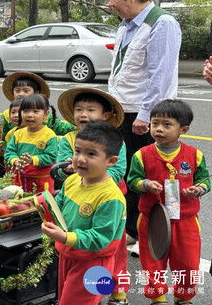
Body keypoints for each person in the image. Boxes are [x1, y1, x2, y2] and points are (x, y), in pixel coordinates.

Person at [106, 0, 182, 254]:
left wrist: (146, 115)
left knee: (158, 174)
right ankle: (135, 230)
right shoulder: (126, 26)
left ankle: (165, 231)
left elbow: (160, 75)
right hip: (122, 112)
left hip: (145, 115)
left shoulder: (162, 23)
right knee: (130, 173)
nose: (111, 4)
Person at [127, 99, 210, 305]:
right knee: (152, 261)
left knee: (188, 263)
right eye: (155, 123)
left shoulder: (194, 155)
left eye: (167, 124)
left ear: (184, 129)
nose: (159, 129)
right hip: (152, 219)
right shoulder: (142, 155)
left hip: (186, 221)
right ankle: (158, 298)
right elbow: (132, 181)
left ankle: (183, 297)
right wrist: (145, 184)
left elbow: (205, 179)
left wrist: (198, 189)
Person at [56, 88, 129, 305]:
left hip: (103, 210)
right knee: (70, 294)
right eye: (78, 109)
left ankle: (117, 293)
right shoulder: (70, 141)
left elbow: (116, 172)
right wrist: (67, 172)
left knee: (114, 258)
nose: (83, 114)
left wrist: (85, 175)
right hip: (74, 237)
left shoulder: (114, 143)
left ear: (106, 115)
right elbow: (60, 168)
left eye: (90, 109)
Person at [42, 120, 126, 305]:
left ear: (111, 161)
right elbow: (60, 207)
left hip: (94, 263)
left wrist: (65, 237)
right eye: (78, 151)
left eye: (91, 154)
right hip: (69, 254)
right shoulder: (73, 181)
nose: (80, 159)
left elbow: (100, 238)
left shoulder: (110, 197)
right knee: (66, 299)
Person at [4, 94, 58, 193]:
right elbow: (9, 152)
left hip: (41, 181)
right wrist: (15, 161)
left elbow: (51, 157)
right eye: (25, 111)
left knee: (40, 206)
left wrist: (33, 160)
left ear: (46, 114)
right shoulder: (18, 134)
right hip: (20, 178)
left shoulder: (49, 135)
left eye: (35, 111)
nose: (29, 115)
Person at [1, 71, 75, 139]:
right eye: (17, 91)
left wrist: (79, 124)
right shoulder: (7, 114)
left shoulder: (45, 115)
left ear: (36, 93)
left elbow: (63, 128)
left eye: (26, 91)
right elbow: (3, 136)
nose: (21, 94)